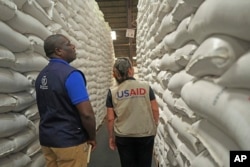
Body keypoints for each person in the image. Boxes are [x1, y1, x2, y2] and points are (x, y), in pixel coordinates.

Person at [35, 34, 97, 167]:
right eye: (68, 44)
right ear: (58, 51)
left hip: (47, 140)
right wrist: (92, 136)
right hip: (69, 141)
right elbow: (86, 114)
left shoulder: (41, 75)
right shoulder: (71, 75)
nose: (73, 46)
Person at [106, 57, 159, 167]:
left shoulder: (112, 92)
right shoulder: (145, 87)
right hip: (145, 132)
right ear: (131, 70)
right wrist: (155, 125)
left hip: (123, 135)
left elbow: (110, 118)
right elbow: (155, 109)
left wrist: (111, 137)